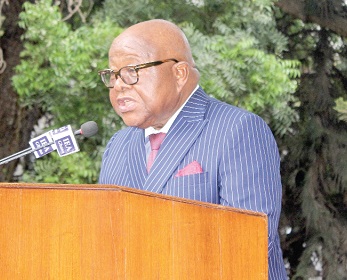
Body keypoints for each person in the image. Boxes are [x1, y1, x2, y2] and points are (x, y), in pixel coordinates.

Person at [98, 19, 287, 279]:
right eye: (113, 74)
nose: (119, 85)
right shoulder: (118, 145)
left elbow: (245, 244)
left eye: (132, 71)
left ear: (179, 74)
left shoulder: (237, 129)